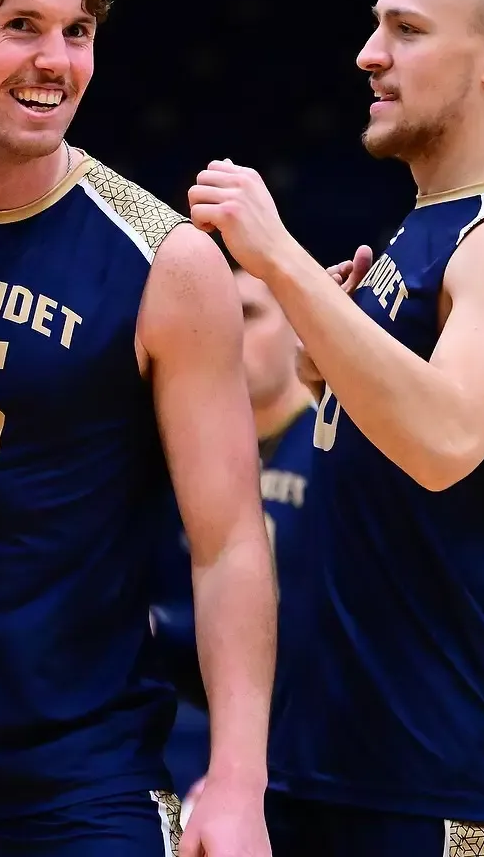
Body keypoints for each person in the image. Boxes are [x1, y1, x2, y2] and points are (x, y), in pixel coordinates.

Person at [0, 0, 274, 857]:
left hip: (76, 778)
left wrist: (235, 781)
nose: (57, 62)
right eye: (21, 27)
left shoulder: (165, 261)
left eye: (77, 31)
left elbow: (228, 542)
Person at [190, 0, 484, 855]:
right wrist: (324, 360)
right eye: (377, 25)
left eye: (407, 30)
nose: (369, 54)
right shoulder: (425, 231)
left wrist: (280, 261)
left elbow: (445, 440)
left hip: (459, 783)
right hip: (348, 759)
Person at [149, 261, 320, 719]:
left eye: (248, 314)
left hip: (316, 722)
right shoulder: (172, 448)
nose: (227, 332)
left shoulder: (339, 444)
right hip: (195, 712)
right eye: (218, 316)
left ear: (299, 331)